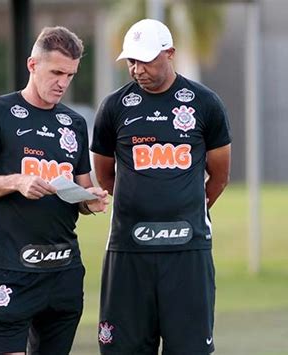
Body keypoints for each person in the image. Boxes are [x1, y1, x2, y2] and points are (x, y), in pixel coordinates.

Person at [0, 26, 109, 355]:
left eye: (70, 74)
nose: (63, 83)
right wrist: (16, 181)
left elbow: (82, 187)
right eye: (56, 72)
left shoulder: (72, 123)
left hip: (64, 272)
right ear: (32, 65)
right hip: (11, 271)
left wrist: (92, 199)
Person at [91, 19, 232, 355]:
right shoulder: (114, 107)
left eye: (145, 59)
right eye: (131, 61)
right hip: (128, 250)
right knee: (123, 348)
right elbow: (105, 175)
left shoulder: (204, 103)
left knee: (189, 348)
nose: (137, 69)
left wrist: (185, 206)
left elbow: (220, 176)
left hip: (187, 250)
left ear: (170, 54)